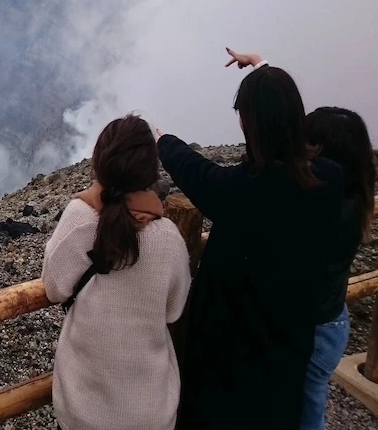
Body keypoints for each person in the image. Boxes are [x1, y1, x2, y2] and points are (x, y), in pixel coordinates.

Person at [157, 49, 344, 430]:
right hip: (288, 351)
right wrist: (261, 67)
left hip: (232, 364)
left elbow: (199, 174)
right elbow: (281, 112)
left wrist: (165, 142)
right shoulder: (329, 179)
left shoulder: (244, 194)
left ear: (252, 125)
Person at [43, 114, 191, 430]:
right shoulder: (169, 238)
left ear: (100, 160)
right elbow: (173, 311)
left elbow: (54, 288)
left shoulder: (79, 217)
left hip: (82, 411)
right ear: (150, 170)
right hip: (149, 415)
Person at [300, 106, 375, 430]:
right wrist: (262, 68)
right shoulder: (355, 201)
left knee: (302, 415)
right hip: (332, 324)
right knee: (309, 407)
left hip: (309, 332)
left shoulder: (319, 211)